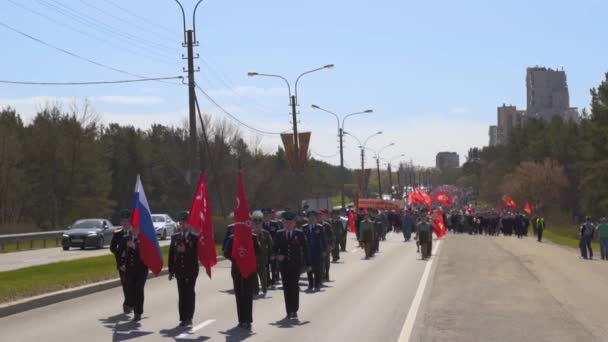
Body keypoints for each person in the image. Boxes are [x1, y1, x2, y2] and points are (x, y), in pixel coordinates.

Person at [273, 211, 311, 319]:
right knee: (286, 288)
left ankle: (294, 310)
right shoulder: (279, 233)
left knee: (294, 287)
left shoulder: (299, 233)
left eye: (290, 222)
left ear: (294, 223)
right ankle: (288, 311)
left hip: (296, 265)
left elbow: (305, 249)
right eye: (286, 222)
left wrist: (308, 264)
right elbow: (274, 249)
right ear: (283, 223)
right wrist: (277, 256)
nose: (288, 224)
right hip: (284, 266)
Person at [223, 225, 261, 330]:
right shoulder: (232, 238)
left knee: (248, 295)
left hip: (249, 270)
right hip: (237, 271)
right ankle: (241, 320)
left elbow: (258, 251)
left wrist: (247, 255)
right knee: (239, 296)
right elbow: (226, 253)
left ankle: (248, 320)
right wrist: (237, 259)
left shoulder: (253, 237)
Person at [168, 211, 200, 327]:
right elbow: (172, 255)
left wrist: (186, 250)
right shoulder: (175, 238)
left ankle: (189, 317)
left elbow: (198, 253)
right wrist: (171, 270)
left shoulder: (195, 238)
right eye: (180, 223)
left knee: (189, 293)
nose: (182, 225)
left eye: (184, 223)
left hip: (191, 270)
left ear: (189, 224)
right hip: (179, 270)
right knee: (181, 293)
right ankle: (182, 317)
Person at [117, 218, 149, 322]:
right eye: (133, 227)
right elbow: (119, 253)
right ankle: (129, 303)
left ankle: (138, 313)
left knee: (139, 291)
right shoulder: (126, 238)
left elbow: (147, 253)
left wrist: (135, 246)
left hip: (141, 270)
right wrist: (121, 264)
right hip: (129, 270)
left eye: (137, 227)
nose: (134, 229)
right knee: (130, 289)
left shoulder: (144, 239)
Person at [110, 209, 131, 314]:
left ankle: (130, 302)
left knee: (133, 285)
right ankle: (128, 302)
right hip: (122, 264)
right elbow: (112, 247)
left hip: (133, 264)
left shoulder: (135, 232)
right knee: (125, 284)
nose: (124, 223)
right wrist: (118, 252)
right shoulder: (118, 234)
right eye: (123, 221)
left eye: (126, 221)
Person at [302, 211, 327, 291]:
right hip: (307, 251)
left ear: (316, 218)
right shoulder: (304, 227)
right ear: (307, 218)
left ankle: (317, 283)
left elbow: (323, 239)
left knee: (317, 268)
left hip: (317, 251)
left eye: (313, 217)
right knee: (309, 268)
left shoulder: (319, 227)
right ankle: (310, 284)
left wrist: (324, 250)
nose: (311, 218)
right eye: (310, 217)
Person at [252, 210, 273, 295]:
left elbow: (271, 245)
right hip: (252, 259)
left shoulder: (266, 233)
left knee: (263, 276)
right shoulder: (250, 233)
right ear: (253, 224)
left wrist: (272, 255)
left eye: (259, 224)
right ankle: (256, 290)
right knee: (254, 276)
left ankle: (264, 289)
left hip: (263, 259)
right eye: (255, 224)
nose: (257, 226)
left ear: (261, 224)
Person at [262, 208, 281, 286]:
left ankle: (273, 278)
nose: (266, 216)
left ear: (270, 215)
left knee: (273, 264)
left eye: (267, 215)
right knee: (265, 265)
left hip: (273, 247)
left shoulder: (275, 224)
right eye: (264, 215)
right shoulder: (260, 224)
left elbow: (278, 235)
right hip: (263, 248)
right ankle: (267, 280)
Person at [319, 210, 334, 281]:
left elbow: (332, 236)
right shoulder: (314, 226)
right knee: (319, 262)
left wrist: (331, 245)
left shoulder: (327, 225)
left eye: (321, 216)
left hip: (326, 245)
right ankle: (321, 275)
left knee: (326, 261)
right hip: (317, 247)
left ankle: (326, 274)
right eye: (318, 216)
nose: (319, 217)